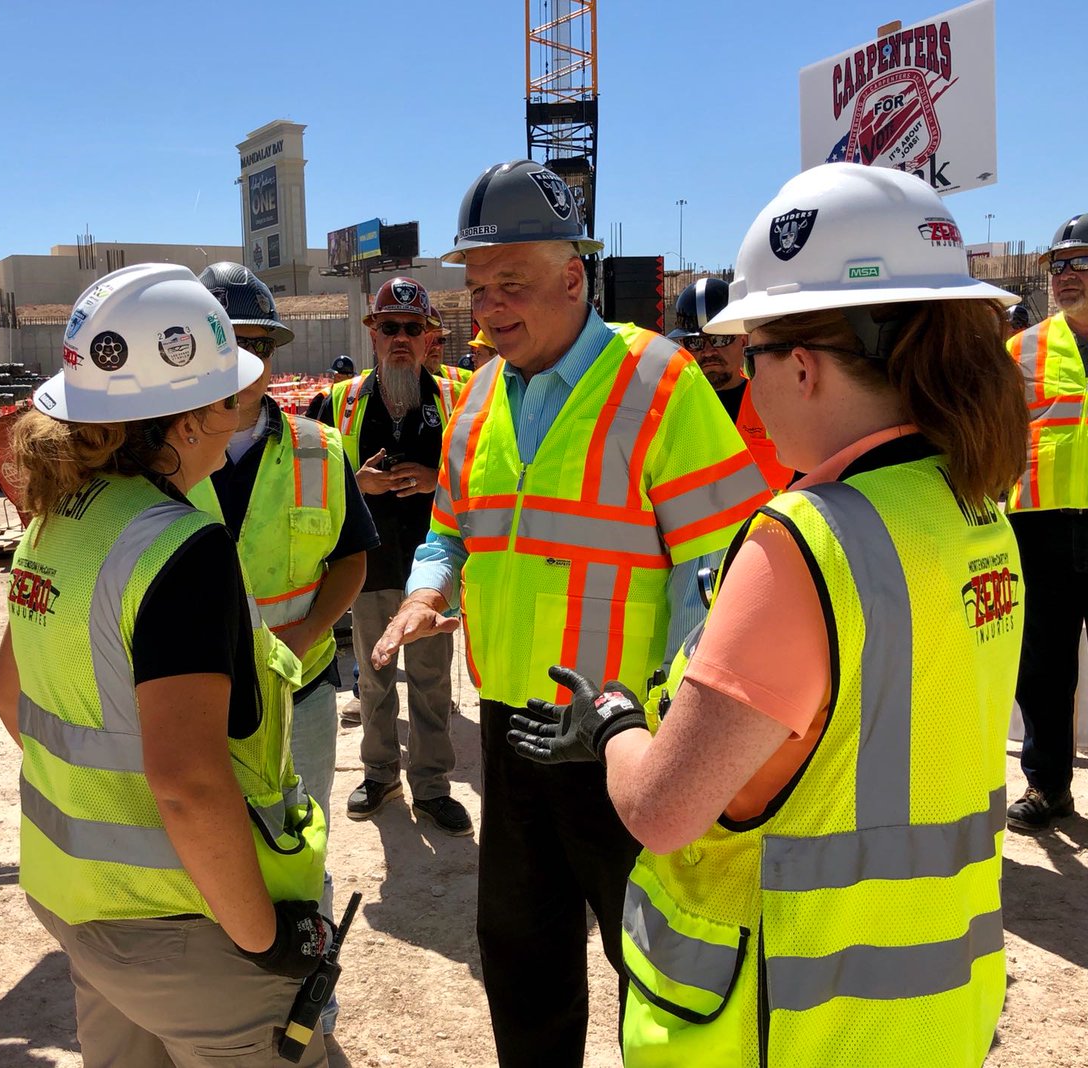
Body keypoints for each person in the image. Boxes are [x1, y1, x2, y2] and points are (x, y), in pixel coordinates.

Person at [508, 162, 1029, 1067]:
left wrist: (616, 723)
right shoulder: (976, 508)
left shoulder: (804, 544)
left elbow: (666, 811)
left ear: (801, 366)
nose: (746, 391)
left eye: (747, 361)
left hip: (793, 1016)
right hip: (936, 1003)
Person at [372, 160, 770, 1068]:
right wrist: (432, 592)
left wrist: (681, 741)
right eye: (476, 288)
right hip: (513, 738)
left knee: (659, 970)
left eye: (511, 283)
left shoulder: (660, 384)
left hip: (628, 744)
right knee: (521, 961)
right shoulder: (474, 400)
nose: (489, 308)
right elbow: (450, 534)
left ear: (574, 277)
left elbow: (718, 580)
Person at [0, 264, 332, 1067]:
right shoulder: (181, 550)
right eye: (228, 398)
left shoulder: (53, 525)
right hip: (188, 931)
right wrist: (265, 938)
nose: (240, 413)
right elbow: (187, 782)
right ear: (183, 421)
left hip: (74, 906)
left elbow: (10, 698)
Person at [188, 263, 378, 1038]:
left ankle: (309, 1009)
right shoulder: (157, 459)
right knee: (199, 845)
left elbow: (352, 559)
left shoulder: (317, 449)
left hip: (295, 696)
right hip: (188, 700)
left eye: (258, 345)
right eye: (228, 344)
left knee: (298, 847)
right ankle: (216, 1004)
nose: (245, 363)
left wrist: (301, 639)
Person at [318, 276, 470, 836]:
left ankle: (432, 786)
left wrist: (437, 481)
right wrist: (356, 485)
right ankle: (380, 774)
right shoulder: (340, 400)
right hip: (371, 568)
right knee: (375, 679)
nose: (400, 338)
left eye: (412, 328)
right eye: (390, 328)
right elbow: (310, 480)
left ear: (430, 335)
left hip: (431, 578)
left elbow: (486, 473)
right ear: (372, 334)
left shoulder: (459, 394)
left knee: (431, 685)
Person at [1004, 212, 1088, 831]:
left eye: (1079, 262)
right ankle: (1048, 785)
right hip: (1041, 528)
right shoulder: (1021, 349)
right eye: (1057, 265)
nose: (1065, 276)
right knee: (1042, 665)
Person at [669, 277, 794, 490]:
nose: (708, 351)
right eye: (696, 342)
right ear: (684, 346)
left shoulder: (779, 404)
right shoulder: (669, 411)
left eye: (720, 339)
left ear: (743, 340)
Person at [305, 355, 356, 420]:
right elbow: (310, 420)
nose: (337, 379)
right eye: (337, 377)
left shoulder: (355, 395)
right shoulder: (323, 396)